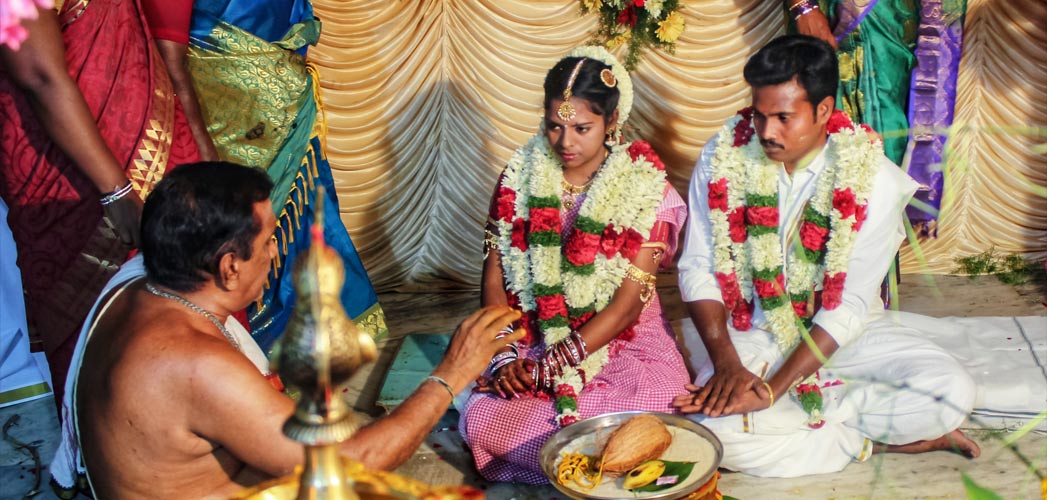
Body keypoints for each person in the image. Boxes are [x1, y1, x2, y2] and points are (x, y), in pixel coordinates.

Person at [49, 162, 525, 499]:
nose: (277, 253)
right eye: (268, 241)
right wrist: (450, 375)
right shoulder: (196, 365)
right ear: (229, 266)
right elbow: (352, 462)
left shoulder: (133, 287)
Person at [673, 35, 979, 478]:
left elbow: (849, 305)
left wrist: (771, 393)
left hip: (847, 336)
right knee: (713, 436)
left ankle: (807, 415)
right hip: (752, 327)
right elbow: (697, 267)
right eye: (759, 115)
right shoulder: (722, 156)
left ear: (823, 110)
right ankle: (869, 439)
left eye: (783, 117)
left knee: (951, 391)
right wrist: (727, 364)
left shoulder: (873, 179)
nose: (766, 132)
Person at [459, 46, 690, 484]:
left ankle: (585, 459)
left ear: (612, 121)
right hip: (532, 330)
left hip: (622, 336)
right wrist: (504, 356)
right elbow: (495, 273)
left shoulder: (646, 187)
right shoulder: (520, 174)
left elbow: (626, 309)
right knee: (489, 418)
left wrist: (551, 367)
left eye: (582, 128)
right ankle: (591, 464)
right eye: (554, 127)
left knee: (661, 402)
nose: (566, 143)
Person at [140, 0, 387, 351]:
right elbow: (170, 58)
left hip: (286, 112)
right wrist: (200, 144)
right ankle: (254, 358)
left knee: (306, 219)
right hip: (223, 126)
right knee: (240, 238)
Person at [0, 0, 202, 399]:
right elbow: (38, 73)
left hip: (146, 147)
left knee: (194, 313)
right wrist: (118, 192)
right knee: (113, 343)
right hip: (83, 175)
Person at [788, 0, 967, 232]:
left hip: (896, 16)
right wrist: (803, 6)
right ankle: (832, 255)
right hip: (840, 15)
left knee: (888, 133)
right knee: (836, 137)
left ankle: (877, 259)